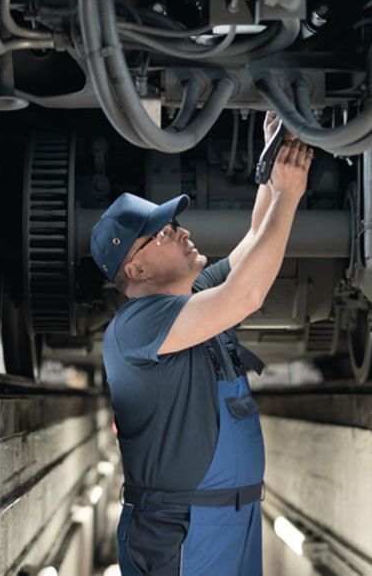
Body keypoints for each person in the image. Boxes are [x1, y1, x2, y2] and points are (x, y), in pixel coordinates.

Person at [88, 111, 312, 575]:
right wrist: (289, 197)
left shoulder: (193, 299)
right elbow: (247, 294)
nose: (183, 232)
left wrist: (274, 156)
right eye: (165, 234)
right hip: (183, 529)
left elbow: (254, 241)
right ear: (136, 269)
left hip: (233, 518)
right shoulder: (136, 327)